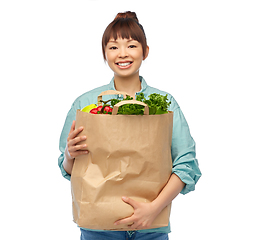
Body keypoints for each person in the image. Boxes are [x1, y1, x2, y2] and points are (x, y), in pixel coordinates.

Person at [58, 11, 201, 240]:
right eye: (113, 47)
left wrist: (153, 209)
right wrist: (68, 154)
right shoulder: (84, 103)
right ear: (104, 53)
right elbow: (72, 171)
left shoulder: (166, 104)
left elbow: (186, 164)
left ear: (145, 51)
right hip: (99, 227)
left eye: (131, 45)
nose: (122, 54)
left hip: (151, 228)